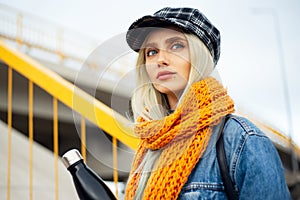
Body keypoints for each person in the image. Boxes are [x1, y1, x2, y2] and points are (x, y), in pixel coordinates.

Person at [124, 7, 291, 199]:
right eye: (152, 51)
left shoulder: (241, 139)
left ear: (200, 56)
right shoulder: (150, 143)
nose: (160, 59)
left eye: (176, 46)